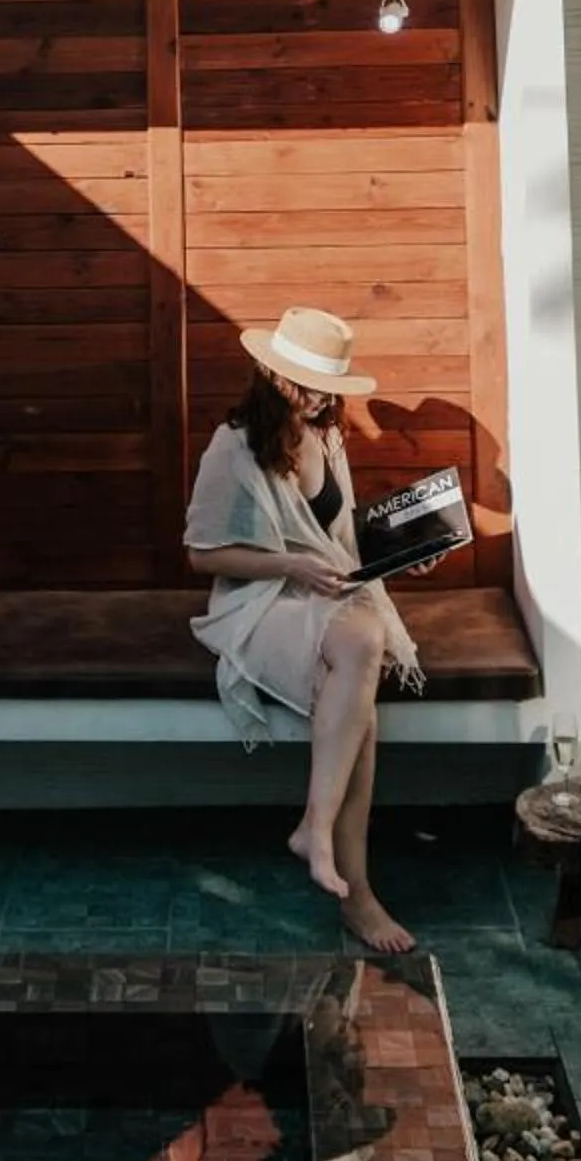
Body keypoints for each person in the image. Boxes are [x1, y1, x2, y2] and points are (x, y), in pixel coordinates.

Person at [184, 304, 424, 954]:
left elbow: (337, 543)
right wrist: (288, 564)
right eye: (307, 385)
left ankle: (319, 837)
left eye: (329, 388)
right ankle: (354, 886)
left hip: (324, 599)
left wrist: (408, 548)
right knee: (363, 654)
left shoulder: (329, 437)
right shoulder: (232, 447)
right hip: (259, 605)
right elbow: (203, 555)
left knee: (359, 681)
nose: (320, 399)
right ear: (274, 377)